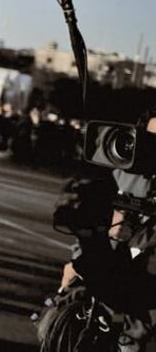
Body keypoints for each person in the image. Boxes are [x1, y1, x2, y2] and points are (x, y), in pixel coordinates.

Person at [52, 112, 156, 351]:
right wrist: (80, 260)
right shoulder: (124, 170)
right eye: (151, 139)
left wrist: (138, 237)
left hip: (140, 307)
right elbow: (87, 216)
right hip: (102, 289)